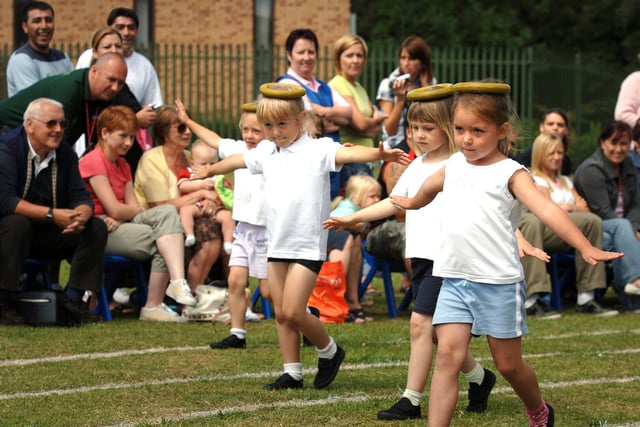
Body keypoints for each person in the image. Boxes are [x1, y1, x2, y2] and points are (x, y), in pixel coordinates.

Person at [390, 81, 624, 427]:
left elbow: (547, 210)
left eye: (478, 131)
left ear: (502, 131)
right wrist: (412, 203)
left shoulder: (510, 173)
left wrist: (585, 245)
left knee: (508, 364)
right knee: (447, 358)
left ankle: (539, 410)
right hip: (454, 278)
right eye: (460, 130)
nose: (467, 139)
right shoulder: (455, 164)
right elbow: (430, 186)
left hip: (497, 283)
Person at [190, 83, 409, 390]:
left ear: (302, 118)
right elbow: (238, 159)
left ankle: (329, 351)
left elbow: (348, 153)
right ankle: (292, 372)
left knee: (294, 310)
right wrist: (210, 170)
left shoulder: (317, 150)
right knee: (281, 313)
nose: (275, 131)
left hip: (307, 245)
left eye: (282, 124)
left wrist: (379, 152)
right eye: (268, 125)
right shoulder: (266, 151)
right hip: (276, 243)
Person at [325, 84, 497, 420]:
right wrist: (354, 218)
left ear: (448, 127)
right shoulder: (416, 165)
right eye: (414, 128)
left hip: (448, 259)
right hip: (420, 256)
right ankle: (479, 377)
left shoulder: (461, 165)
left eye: (428, 128)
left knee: (420, 324)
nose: (419, 135)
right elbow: (393, 202)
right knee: (437, 333)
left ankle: (412, 400)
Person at [78, 105, 197, 322]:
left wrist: (120, 213)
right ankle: (153, 305)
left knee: (168, 215)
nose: (128, 143)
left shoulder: (122, 164)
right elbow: (114, 208)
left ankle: (177, 283)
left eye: (132, 137)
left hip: (119, 223)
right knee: (168, 239)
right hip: (99, 228)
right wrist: (118, 213)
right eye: (123, 136)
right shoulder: (93, 161)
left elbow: (131, 207)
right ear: (104, 133)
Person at [0, 98, 108, 323]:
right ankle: (5, 302)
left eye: (62, 124)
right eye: (51, 123)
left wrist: (80, 216)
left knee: (95, 227)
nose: (58, 129)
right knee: (16, 223)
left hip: (48, 231)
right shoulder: (7, 148)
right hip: (10, 233)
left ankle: (73, 301)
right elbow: (6, 201)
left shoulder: (65, 153)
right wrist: (52, 214)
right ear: (29, 125)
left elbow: (81, 196)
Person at [175, 99, 270, 349]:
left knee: (271, 291)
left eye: (256, 130)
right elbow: (214, 139)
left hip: (267, 230)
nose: (249, 135)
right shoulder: (239, 147)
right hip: (243, 228)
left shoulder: (271, 152)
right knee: (236, 281)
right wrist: (187, 121)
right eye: (246, 129)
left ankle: (304, 315)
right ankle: (237, 333)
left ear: (269, 131)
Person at [520, 132, 617, 317]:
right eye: (551, 153)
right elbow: (544, 210)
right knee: (532, 224)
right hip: (538, 231)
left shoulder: (565, 180)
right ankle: (532, 299)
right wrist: (570, 207)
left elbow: (585, 209)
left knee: (592, 221)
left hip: (560, 232)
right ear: (540, 154)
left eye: (560, 152)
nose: (557, 157)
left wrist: (566, 207)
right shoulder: (533, 179)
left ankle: (587, 297)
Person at [134, 105, 224, 288]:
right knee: (209, 233)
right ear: (165, 132)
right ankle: (190, 295)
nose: (188, 132)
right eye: (181, 127)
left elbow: (215, 186)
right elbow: (159, 205)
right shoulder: (152, 159)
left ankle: (227, 292)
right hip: (159, 224)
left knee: (229, 228)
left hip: (191, 219)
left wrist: (211, 202)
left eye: (189, 127)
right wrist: (201, 194)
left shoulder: (193, 157)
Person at [277, 28, 353, 199]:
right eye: (301, 52)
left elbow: (348, 114)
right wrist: (332, 119)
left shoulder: (323, 86)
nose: (306, 57)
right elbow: (312, 125)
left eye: (311, 52)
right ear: (289, 54)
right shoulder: (287, 85)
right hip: (306, 167)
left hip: (330, 164)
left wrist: (323, 111)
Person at [574, 120, 640, 312]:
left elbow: (636, 202)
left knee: (623, 234)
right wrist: (629, 230)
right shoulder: (591, 170)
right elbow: (602, 211)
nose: (619, 149)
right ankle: (634, 286)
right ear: (602, 142)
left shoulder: (628, 164)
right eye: (614, 143)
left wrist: (634, 228)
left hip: (623, 226)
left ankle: (632, 300)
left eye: (624, 144)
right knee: (621, 233)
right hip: (594, 227)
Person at [75, 26, 155, 175]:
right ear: (95, 52)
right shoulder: (95, 89)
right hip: (106, 162)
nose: (114, 49)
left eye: (118, 46)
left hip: (128, 160)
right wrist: (135, 119)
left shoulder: (122, 86)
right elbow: (101, 122)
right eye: (107, 46)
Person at [0, 52, 128, 146]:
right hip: (7, 130)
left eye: (120, 83)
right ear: (94, 71)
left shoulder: (104, 95)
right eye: (111, 80)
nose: (115, 88)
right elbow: (57, 144)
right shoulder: (69, 91)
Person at [76, 7, 163, 109]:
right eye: (120, 27)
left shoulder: (145, 66)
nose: (126, 33)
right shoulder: (87, 57)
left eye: (131, 27)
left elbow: (154, 104)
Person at [328, 34, 386, 185]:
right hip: (352, 162)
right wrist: (373, 120)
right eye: (349, 55)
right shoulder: (338, 84)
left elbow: (375, 130)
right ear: (338, 58)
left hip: (367, 161)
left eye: (359, 55)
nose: (355, 60)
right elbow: (361, 123)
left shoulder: (359, 88)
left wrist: (365, 126)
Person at [327, 174, 382, 323]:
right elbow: (340, 225)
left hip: (344, 242)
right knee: (347, 237)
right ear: (356, 196)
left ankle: (352, 301)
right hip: (331, 245)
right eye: (372, 196)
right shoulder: (345, 210)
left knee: (355, 239)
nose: (377, 200)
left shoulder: (352, 208)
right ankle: (337, 301)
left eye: (378, 196)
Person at [376, 35, 436, 152]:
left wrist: (425, 89)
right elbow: (390, 130)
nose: (406, 63)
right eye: (403, 58)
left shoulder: (431, 84)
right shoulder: (388, 84)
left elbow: (434, 120)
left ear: (423, 63)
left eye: (412, 58)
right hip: (394, 147)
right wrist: (400, 99)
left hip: (423, 146)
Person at [177, 140, 235, 254]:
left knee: (228, 217)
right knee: (185, 211)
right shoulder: (189, 173)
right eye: (203, 164)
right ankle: (189, 234)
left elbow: (228, 191)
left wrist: (224, 187)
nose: (208, 167)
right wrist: (201, 184)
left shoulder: (218, 176)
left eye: (213, 163)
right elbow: (182, 186)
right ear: (192, 163)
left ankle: (228, 242)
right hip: (195, 206)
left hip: (216, 209)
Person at [6, 2, 73, 97]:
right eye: (37, 21)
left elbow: (75, 91)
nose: (44, 26)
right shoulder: (21, 59)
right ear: (25, 27)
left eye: (48, 20)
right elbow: (36, 101)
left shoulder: (63, 57)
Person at [515, 108, 573, 175]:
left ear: (566, 130)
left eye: (560, 125)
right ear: (541, 127)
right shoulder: (529, 155)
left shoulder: (566, 161)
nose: (555, 128)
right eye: (550, 124)